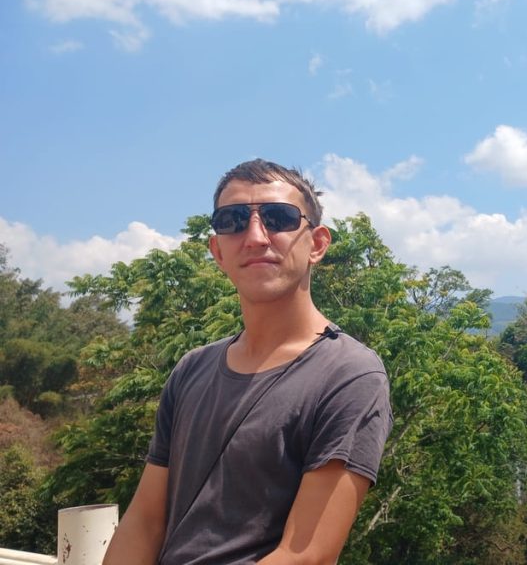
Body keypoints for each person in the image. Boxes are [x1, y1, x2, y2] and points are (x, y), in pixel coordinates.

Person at [103, 159, 393, 564]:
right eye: (233, 220)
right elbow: (145, 522)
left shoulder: (348, 374)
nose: (255, 236)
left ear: (317, 244)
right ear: (217, 251)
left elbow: (304, 555)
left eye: (278, 218)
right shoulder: (192, 369)